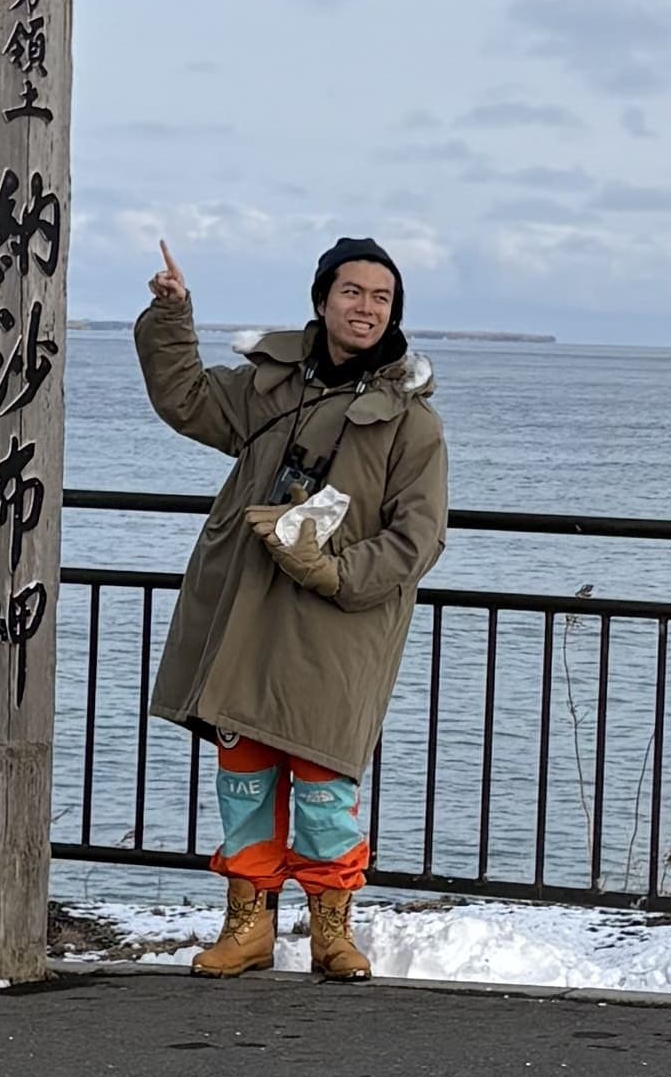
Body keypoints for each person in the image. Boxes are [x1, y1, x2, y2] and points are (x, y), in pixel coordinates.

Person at [136, 236, 448, 981]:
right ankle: (247, 926)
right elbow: (188, 402)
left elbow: (418, 538)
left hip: (339, 627)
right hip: (247, 611)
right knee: (243, 781)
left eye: (381, 297)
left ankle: (331, 931)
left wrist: (333, 571)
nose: (365, 307)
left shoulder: (413, 424)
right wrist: (172, 319)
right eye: (352, 292)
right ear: (321, 301)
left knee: (324, 787)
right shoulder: (270, 387)